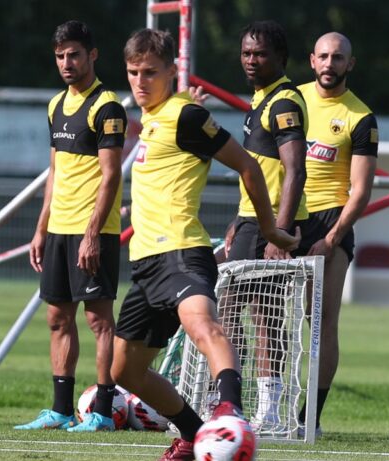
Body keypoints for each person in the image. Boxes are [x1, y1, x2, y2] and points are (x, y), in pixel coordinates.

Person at [110, 28, 299, 460]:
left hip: (180, 252)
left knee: (202, 325)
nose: (140, 81)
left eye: (150, 72)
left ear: (171, 70)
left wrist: (270, 229)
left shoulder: (185, 117)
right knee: (124, 370)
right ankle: (195, 434)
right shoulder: (157, 116)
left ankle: (230, 411)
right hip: (146, 264)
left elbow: (248, 166)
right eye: (133, 73)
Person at [13, 20, 127, 433]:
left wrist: (92, 234)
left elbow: (111, 175)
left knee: (99, 321)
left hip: (92, 231)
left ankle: (103, 412)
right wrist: (41, 228)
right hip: (59, 229)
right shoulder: (55, 105)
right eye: (60, 56)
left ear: (92, 55)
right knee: (57, 319)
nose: (66, 63)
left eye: (74, 55)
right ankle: (61, 410)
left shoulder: (107, 107)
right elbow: (55, 171)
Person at [222, 20, 308, 432]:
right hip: (252, 221)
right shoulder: (261, 99)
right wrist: (238, 220)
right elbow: (258, 172)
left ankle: (257, 406)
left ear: (280, 58)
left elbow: (295, 171)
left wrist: (280, 234)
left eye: (260, 54)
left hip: (269, 225)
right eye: (246, 53)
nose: (251, 60)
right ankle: (240, 401)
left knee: (250, 312)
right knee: (245, 309)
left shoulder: (284, 101)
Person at [296, 32, 378, 438]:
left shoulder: (360, 117)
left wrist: (332, 239)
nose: (330, 63)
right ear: (313, 60)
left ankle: (309, 416)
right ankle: (266, 404)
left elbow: (360, 191)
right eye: (324, 56)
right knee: (264, 314)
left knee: (323, 322)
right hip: (286, 218)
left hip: (330, 222)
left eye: (338, 57)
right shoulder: (290, 100)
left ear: (351, 64)